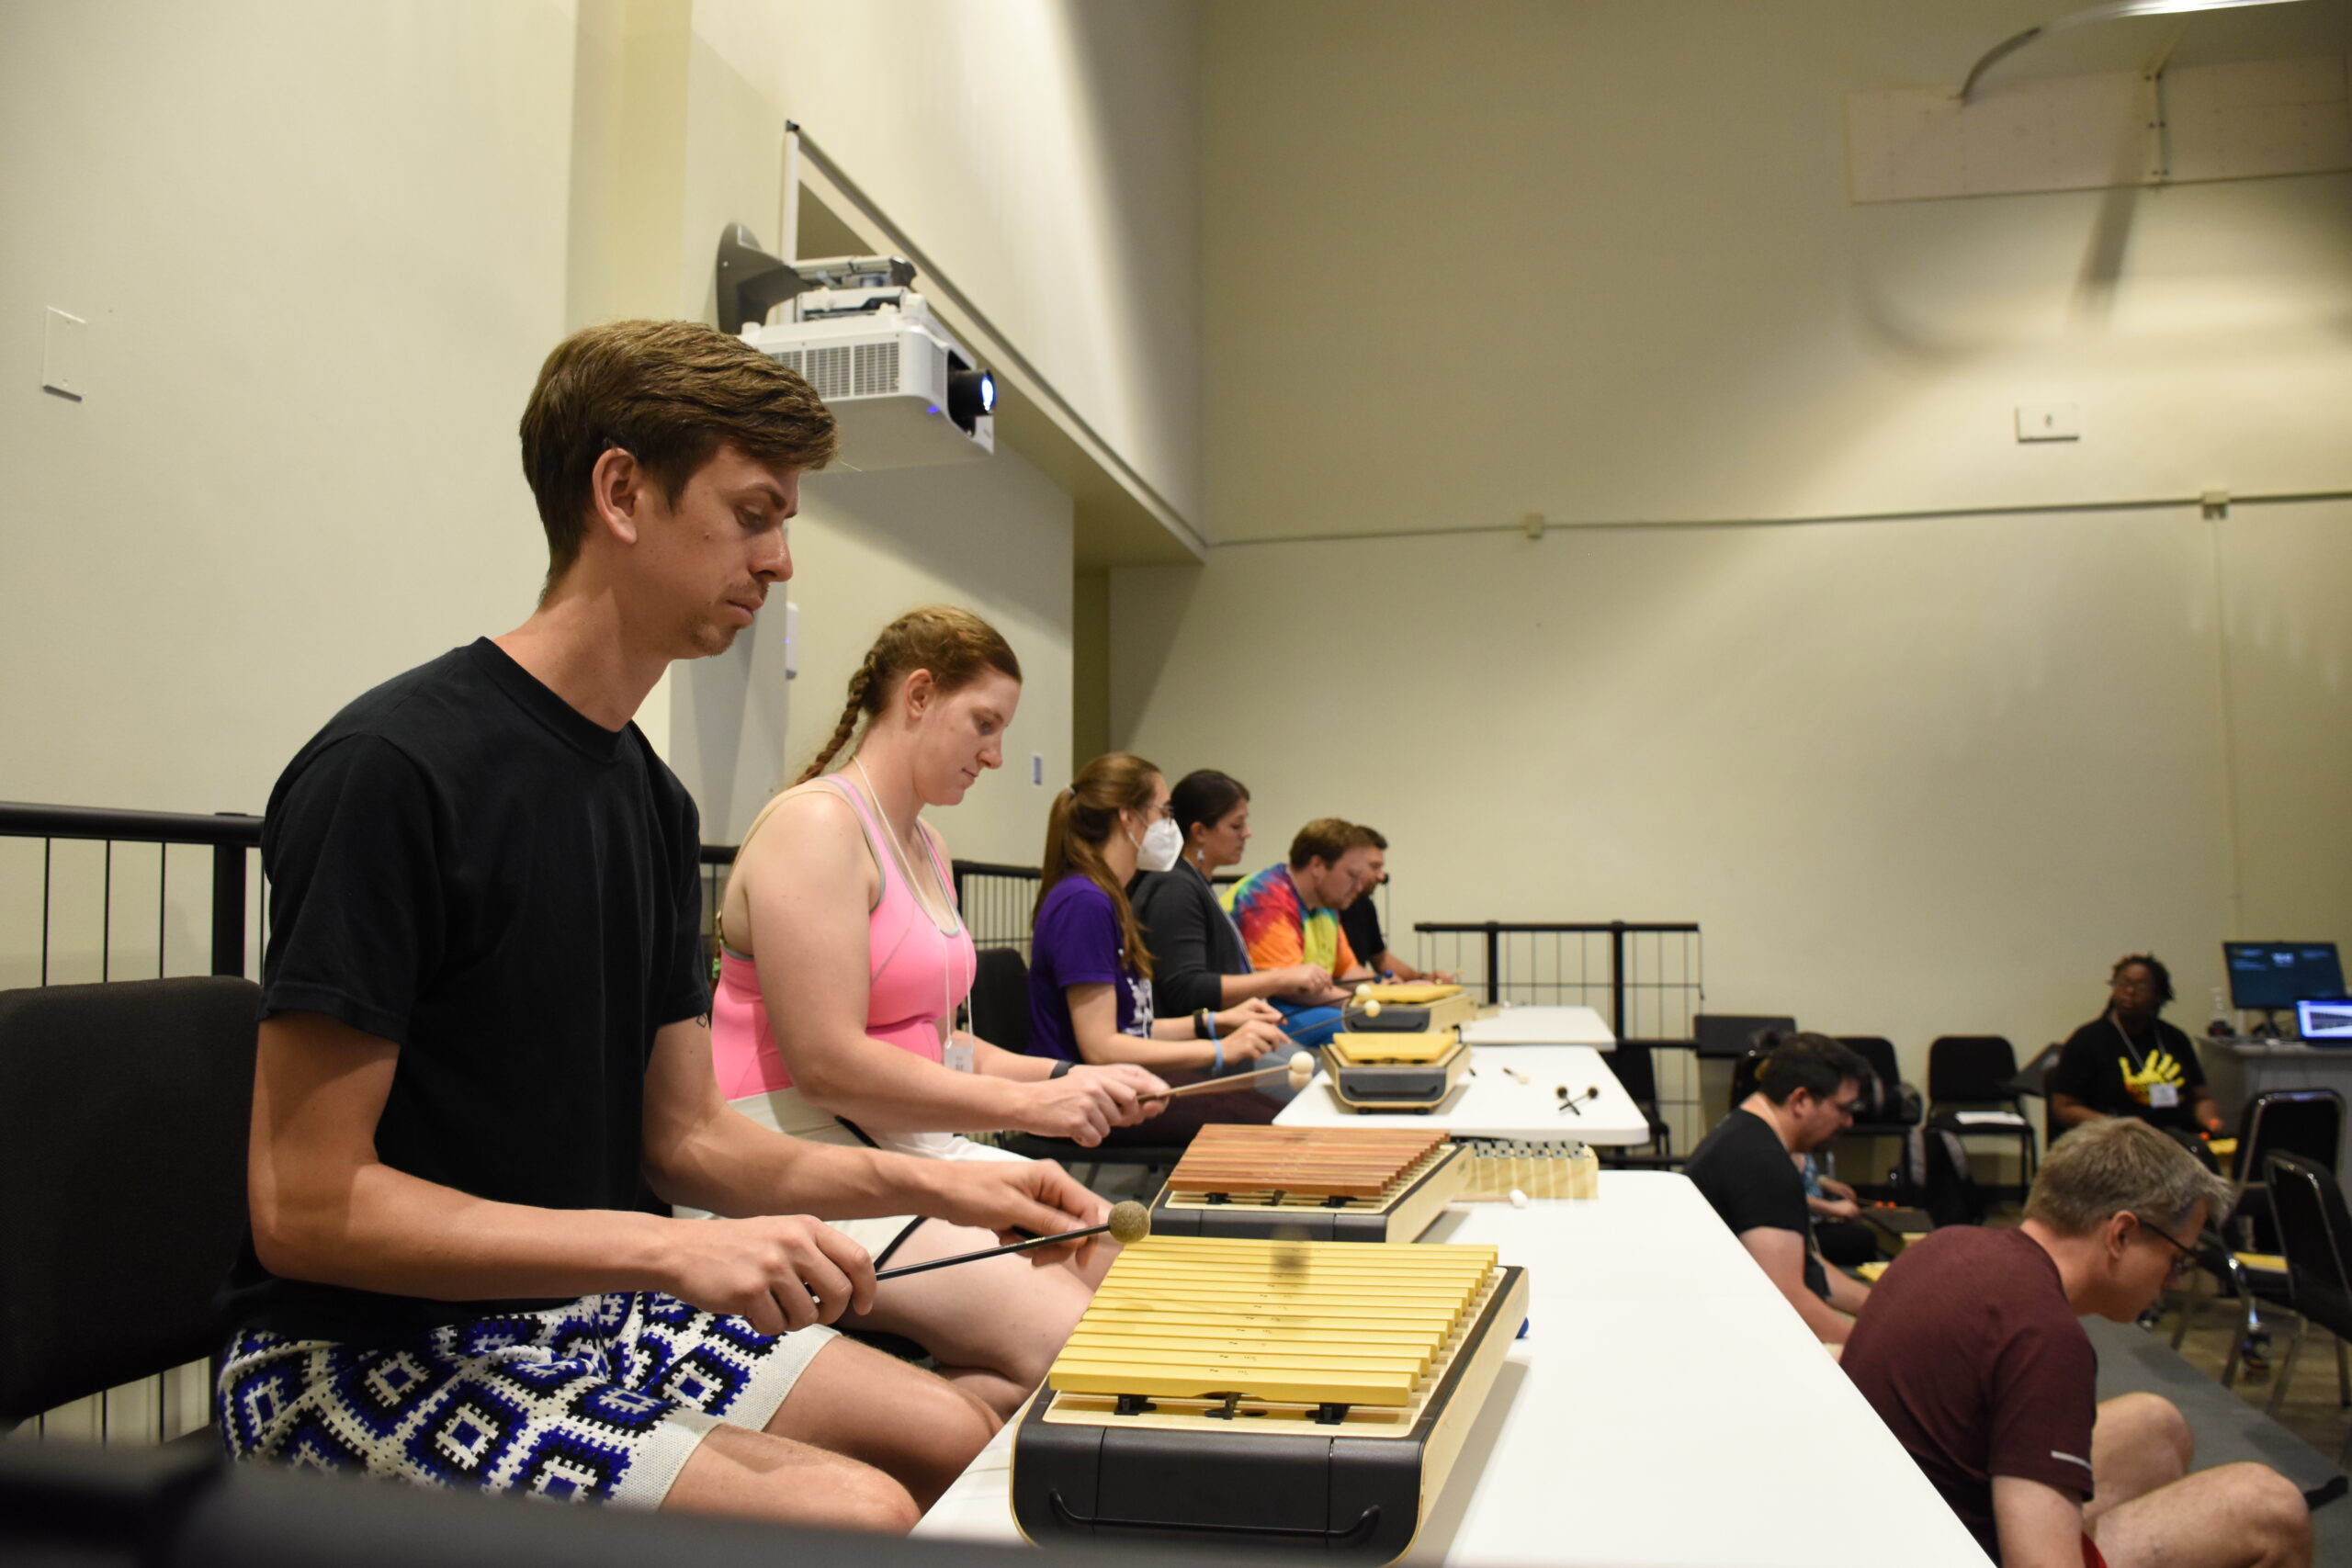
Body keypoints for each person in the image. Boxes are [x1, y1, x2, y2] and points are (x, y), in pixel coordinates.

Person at [221, 321, 1109, 1529]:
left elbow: (688, 1136)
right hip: (354, 1355)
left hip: (579, 1302)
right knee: (851, 1509)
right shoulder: (395, 768)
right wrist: (667, 1252)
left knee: (962, 1432)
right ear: (623, 491)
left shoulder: (648, 795)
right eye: (754, 513)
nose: (783, 559)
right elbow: (307, 1202)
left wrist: (951, 1185)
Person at [709, 606, 1168, 1418]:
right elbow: (829, 1064)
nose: (996, 755)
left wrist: (1075, 1076)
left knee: (1129, 1271)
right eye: (983, 724)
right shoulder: (817, 825)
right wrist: (1031, 1105)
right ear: (918, 695)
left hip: (908, 1144)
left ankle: (944, 1436)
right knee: (1076, 1343)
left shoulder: (926, 845)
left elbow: (943, 1044)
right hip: (792, 1161)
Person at [1843, 1118, 2311, 1568]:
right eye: (2176, 1259)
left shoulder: (1946, 1245)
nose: (2171, 1281)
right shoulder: (2044, 1334)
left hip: (1876, 1530)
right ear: (2121, 1233)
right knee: (2273, 1507)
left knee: (2157, 1426)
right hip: (1944, 1549)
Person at [1026, 754, 1294, 1145]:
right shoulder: (1083, 902)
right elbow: (1100, 1047)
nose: (1172, 825)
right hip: (1089, 1094)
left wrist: (1216, 1023)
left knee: (1273, 1109)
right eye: (1165, 812)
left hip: (1118, 1080)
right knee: (1276, 1122)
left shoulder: (1105, 896)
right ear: (1127, 817)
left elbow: (1133, 1028)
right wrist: (1218, 1050)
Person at [1682, 1032, 1874, 1343]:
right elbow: (1788, 1299)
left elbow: (1807, 1267)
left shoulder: (1745, 1133)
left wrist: (1882, 1309)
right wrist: (1873, 1354)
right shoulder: (1762, 1163)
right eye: (1843, 1109)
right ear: (1801, 1100)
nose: (1848, 1122)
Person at [1129, 769, 1332, 1021]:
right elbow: (1186, 988)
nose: (1247, 833)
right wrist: (1280, 978)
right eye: (1236, 825)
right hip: (1194, 1050)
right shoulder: (1174, 888)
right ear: (1200, 832)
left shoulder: (1192, 881)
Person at [1220, 818, 1378, 1047]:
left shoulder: (1326, 903)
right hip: (1262, 1009)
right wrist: (1368, 1005)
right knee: (1344, 1024)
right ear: (1318, 866)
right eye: (1353, 876)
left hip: (1294, 1004)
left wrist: (1395, 994)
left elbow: (1347, 971)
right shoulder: (1267, 899)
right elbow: (1293, 988)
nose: (1359, 887)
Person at [2049, 954, 2224, 1138]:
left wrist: (2211, 1120)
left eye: (2141, 987)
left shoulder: (2174, 1038)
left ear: (2158, 995)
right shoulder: (2087, 1040)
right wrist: (2118, 1126)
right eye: (2123, 984)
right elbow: (2064, 1108)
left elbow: (2201, 1099)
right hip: (2114, 1141)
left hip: (2176, 1139)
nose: (2130, 991)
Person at [1334, 826, 1456, 985]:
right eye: (1375, 866)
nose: (1382, 876)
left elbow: (1379, 958)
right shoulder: (1322, 908)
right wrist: (1376, 982)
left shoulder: (1364, 904)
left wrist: (1422, 978)